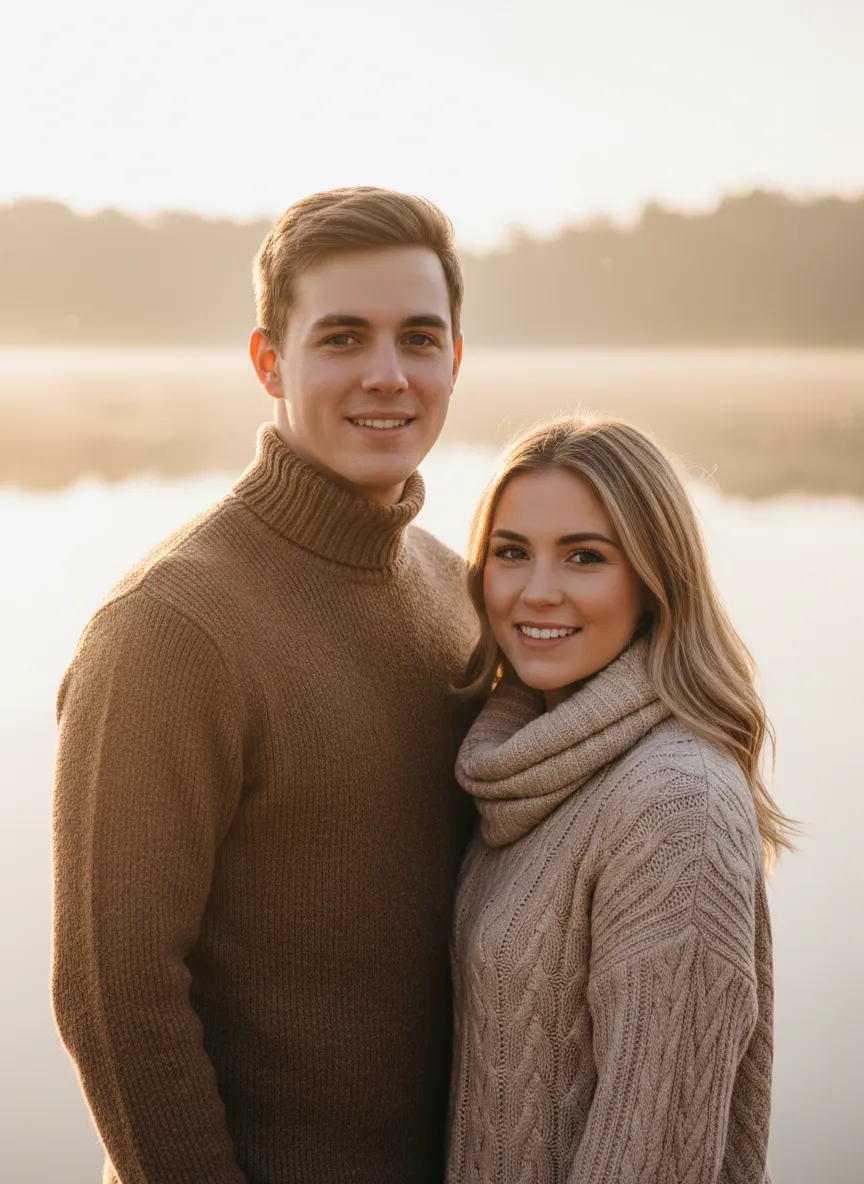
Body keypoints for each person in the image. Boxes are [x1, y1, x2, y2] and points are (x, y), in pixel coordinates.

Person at [52, 187, 478, 1184]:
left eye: (420, 337)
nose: (388, 374)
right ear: (269, 363)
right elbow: (114, 998)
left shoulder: (461, 590)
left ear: (455, 359)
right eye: (342, 338)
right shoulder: (168, 631)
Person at [447, 417, 794, 1184]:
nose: (538, 591)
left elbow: (655, 1159)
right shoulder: (516, 768)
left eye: (584, 556)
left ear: (653, 581)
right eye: (511, 553)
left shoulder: (675, 803)